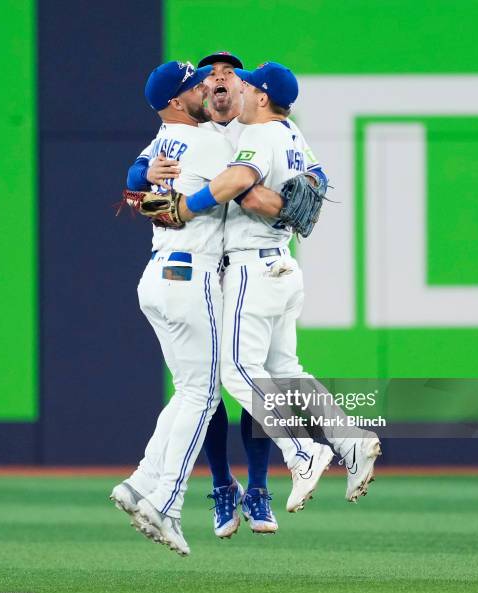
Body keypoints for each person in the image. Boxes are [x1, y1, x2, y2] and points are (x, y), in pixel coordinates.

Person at [178, 62, 382, 509]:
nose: (241, 88)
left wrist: (186, 206)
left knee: (236, 370)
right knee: (286, 371)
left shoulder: (259, 135)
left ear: (264, 97)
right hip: (284, 268)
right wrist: (281, 202)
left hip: (252, 269)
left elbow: (240, 185)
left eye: (248, 85)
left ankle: (301, 450)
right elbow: (316, 182)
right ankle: (350, 441)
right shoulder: (291, 132)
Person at [110, 60, 234, 557]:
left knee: (189, 390)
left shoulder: (162, 141)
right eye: (195, 87)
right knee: (204, 394)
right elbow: (240, 180)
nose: (206, 88)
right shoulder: (207, 141)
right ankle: (168, 503)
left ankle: (141, 482)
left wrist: (142, 180)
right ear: (176, 102)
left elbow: (135, 189)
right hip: (192, 273)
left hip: (158, 274)